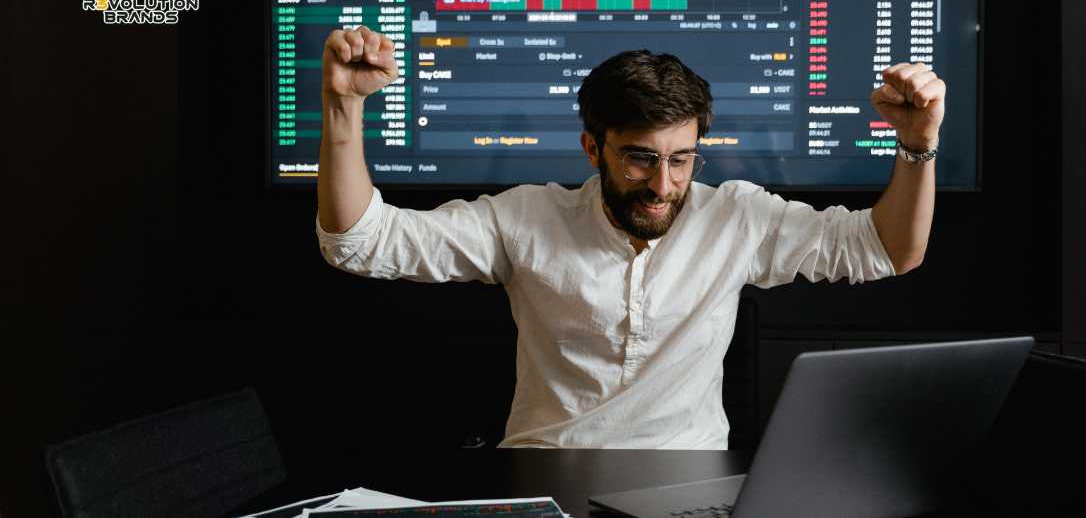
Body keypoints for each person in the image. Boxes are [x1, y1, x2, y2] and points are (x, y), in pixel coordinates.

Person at [315, 25, 944, 449]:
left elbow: (888, 249)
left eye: (681, 159)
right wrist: (343, 106)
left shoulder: (737, 217)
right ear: (594, 147)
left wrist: (916, 145)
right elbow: (360, 242)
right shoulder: (526, 217)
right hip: (545, 475)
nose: (663, 185)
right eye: (639, 158)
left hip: (689, 485)